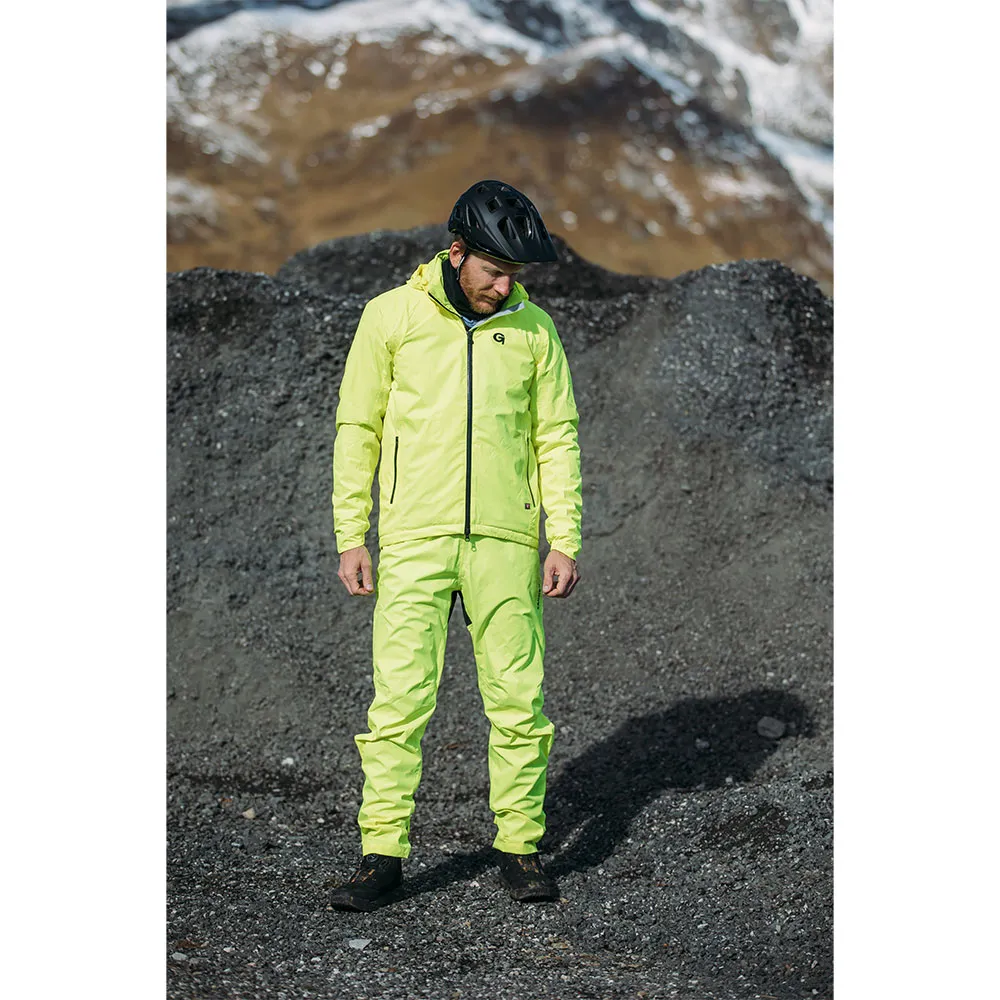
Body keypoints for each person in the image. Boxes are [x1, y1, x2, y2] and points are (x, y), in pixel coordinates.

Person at [329, 179, 583, 911]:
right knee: (398, 703)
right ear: (457, 251)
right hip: (413, 535)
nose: (503, 287)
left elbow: (556, 437)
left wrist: (562, 538)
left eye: (513, 275)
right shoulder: (390, 316)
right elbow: (358, 428)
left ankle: (520, 847)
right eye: (493, 271)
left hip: (507, 538)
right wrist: (352, 534)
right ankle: (381, 856)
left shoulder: (535, 331)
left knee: (519, 702)